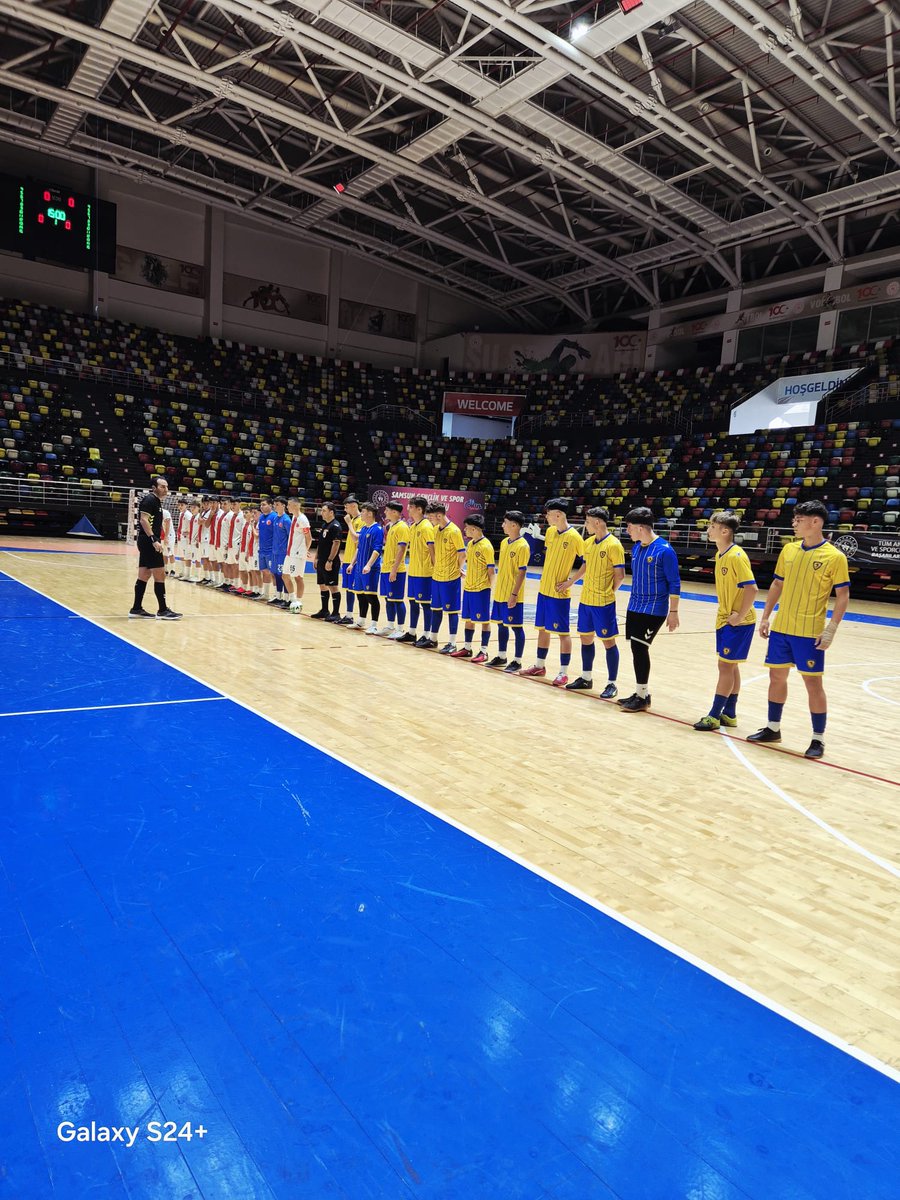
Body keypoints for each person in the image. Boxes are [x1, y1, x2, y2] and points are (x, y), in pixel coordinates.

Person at [747, 499, 850, 759]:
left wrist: (832, 629)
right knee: (776, 678)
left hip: (809, 631)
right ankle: (773, 728)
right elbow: (777, 585)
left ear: (815, 523)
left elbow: (843, 595)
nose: (794, 524)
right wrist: (766, 616)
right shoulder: (789, 550)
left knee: (813, 684)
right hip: (782, 627)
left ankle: (818, 739)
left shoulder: (835, 557)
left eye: (799, 520)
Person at [693, 511, 758, 732]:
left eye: (712, 525)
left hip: (739, 621)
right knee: (731, 666)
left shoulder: (735, 556)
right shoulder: (721, 554)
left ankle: (714, 715)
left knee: (725, 665)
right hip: (725, 619)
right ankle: (729, 713)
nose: (708, 529)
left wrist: (739, 615)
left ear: (725, 531)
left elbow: (752, 589)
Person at [618, 507, 680, 713]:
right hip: (635, 605)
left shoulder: (664, 550)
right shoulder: (637, 548)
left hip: (654, 609)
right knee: (635, 648)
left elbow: (674, 583)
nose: (628, 531)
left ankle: (643, 696)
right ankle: (640, 692)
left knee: (640, 648)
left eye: (629, 527)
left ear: (641, 528)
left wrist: (673, 612)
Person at [519, 498, 584, 686]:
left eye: (548, 513)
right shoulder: (549, 532)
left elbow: (587, 561)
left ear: (558, 515)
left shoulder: (575, 537)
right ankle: (539, 665)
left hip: (559, 593)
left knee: (563, 633)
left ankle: (563, 672)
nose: (546, 517)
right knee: (542, 629)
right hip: (544, 590)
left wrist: (571, 581)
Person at [564, 506, 625, 698]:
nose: (586, 525)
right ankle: (586, 677)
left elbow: (620, 575)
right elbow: (585, 565)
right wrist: (571, 581)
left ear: (597, 522)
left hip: (603, 603)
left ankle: (612, 683)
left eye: (588, 522)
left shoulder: (614, 545)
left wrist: (608, 592)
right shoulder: (588, 543)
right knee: (585, 638)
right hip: (586, 601)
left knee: (608, 642)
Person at [129, 476, 181, 620]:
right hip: (149, 541)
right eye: (162, 486)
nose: (166, 489)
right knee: (160, 574)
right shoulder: (150, 500)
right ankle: (163, 610)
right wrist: (154, 539)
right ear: (154, 487)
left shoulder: (156, 502)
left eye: (166, 486)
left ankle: (136, 608)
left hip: (146, 541)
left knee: (144, 575)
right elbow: (143, 520)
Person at [485, 510, 530, 672]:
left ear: (514, 525)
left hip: (513, 594)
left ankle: (517, 660)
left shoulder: (523, 546)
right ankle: (502, 656)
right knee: (501, 625)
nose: (502, 525)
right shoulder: (505, 543)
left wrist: (514, 594)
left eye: (505, 523)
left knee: (516, 627)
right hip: (500, 593)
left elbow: (522, 572)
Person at [424, 502, 466, 653]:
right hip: (437, 576)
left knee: (452, 611)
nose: (430, 520)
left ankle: (452, 643)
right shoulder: (436, 530)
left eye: (431, 517)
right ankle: (433, 639)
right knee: (435, 608)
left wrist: (458, 569)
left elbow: (462, 554)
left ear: (439, 515)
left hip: (450, 577)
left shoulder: (454, 531)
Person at [452, 515, 495, 659]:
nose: (464, 530)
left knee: (484, 621)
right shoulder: (470, 544)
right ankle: (467, 647)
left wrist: (491, 588)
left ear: (474, 528)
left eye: (466, 527)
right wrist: (467, 574)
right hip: (469, 587)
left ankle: (484, 651)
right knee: (469, 619)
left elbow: (491, 570)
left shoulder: (486, 546)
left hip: (481, 590)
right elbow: (475, 565)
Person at [401, 495, 435, 644]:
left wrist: (435, 569)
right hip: (413, 571)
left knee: (426, 604)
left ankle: (427, 635)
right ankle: (412, 632)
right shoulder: (413, 526)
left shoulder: (427, 526)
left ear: (420, 509)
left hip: (425, 573)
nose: (408, 508)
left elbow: (432, 549)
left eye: (411, 506)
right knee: (413, 602)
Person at [349, 501, 384, 632]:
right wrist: (352, 564)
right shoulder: (364, 529)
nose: (361, 514)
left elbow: (377, 549)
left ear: (370, 513)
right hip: (359, 568)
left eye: (363, 511)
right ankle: (361, 620)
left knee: (371, 596)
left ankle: (374, 625)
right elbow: (358, 548)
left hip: (370, 569)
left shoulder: (377, 529)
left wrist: (369, 565)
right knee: (360, 595)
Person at [378, 501, 410, 638]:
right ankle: (390, 626)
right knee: (388, 599)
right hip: (385, 567)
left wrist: (394, 569)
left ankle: (400, 628)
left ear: (395, 512)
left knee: (397, 599)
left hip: (396, 569)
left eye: (387, 510)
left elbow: (402, 549)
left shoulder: (402, 527)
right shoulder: (391, 526)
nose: (385, 512)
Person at [311, 502, 344, 620]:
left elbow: (336, 544)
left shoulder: (335, 526)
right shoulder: (325, 525)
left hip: (330, 561)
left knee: (333, 586)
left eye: (324, 510)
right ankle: (324, 610)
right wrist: (316, 558)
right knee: (322, 585)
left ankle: (336, 613)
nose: (321, 513)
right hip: (322, 560)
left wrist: (330, 560)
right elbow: (321, 543)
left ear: (331, 512)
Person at [283, 497, 312, 613]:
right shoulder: (294, 517)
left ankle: (298, 602)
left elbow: (309, 538)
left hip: (298, 554)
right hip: (290, 553)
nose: (287, 507)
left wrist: (305, 550)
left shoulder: (303, 519)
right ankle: (292, 599)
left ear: (296, 505)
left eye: (289, 504)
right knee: (285, 575)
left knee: (298, 577)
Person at [338, 496, 363, 626]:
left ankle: (358, 617)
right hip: (347, 559)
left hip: (355, 561)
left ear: (353, 505)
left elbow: (356, 540)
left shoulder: (360, 520)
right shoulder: (353, 519)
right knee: (348, 588)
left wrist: (348, 523)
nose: (345, 509)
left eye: (346, 506)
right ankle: (348, 614)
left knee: (354, 589)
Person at [269, 496, 292, 608]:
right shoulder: (275, 519)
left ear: (283, 505)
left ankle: (287, 599)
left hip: (283, 553)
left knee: (284, 575)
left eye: (277, 504)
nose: (275, 506)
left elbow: (290, 537)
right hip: (274, 551)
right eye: (275, 504)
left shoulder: (286, 520)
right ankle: (278, 596)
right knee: (276, 574)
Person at [254, 497, 275, 601]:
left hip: (271, 550)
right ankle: (266, 594)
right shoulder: (261, 517)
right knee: (264, 571)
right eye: (261, 505)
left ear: (271, 505)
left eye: (264, 504)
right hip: (262, 549)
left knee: (273, 573)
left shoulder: (274, 517)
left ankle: (277, 595)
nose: (261, 507)